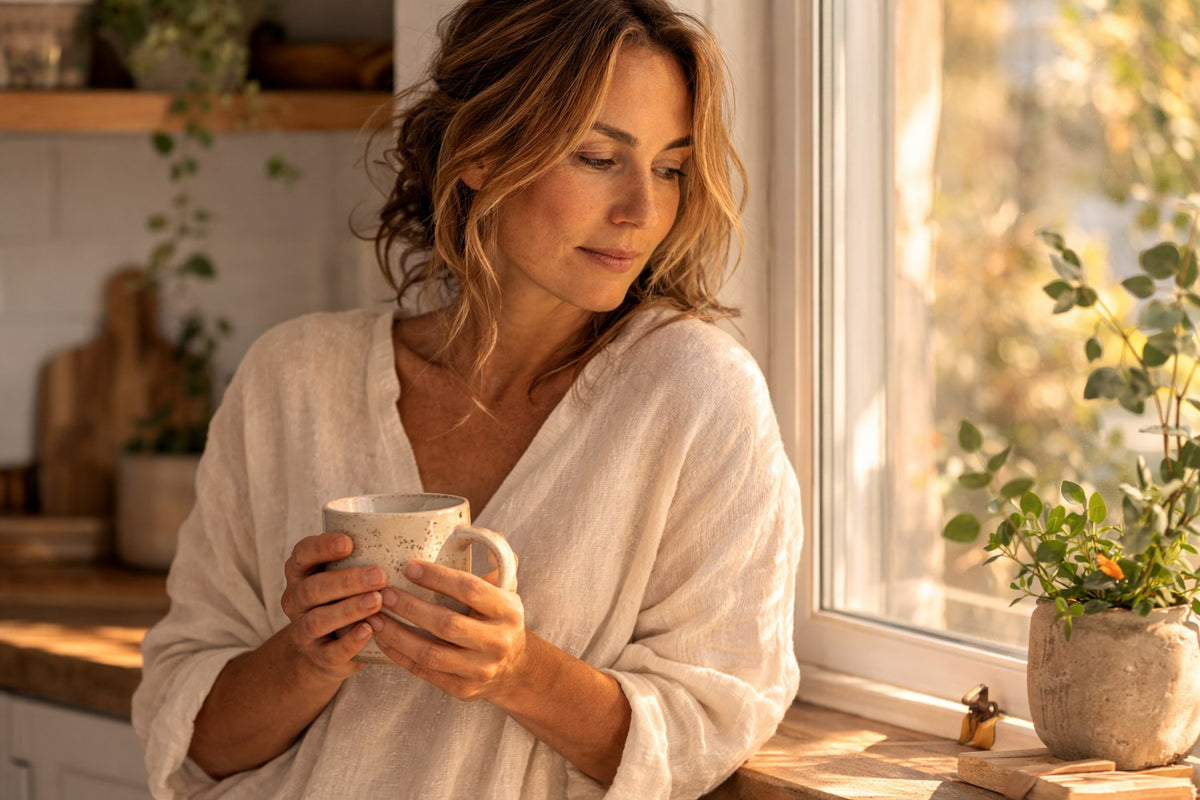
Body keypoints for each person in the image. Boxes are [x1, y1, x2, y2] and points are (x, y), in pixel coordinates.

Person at [132, 1, 803, 797]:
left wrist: (519, 672)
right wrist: (304, 654)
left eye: (670, 167)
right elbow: (193, 741)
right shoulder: (294, 378)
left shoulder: (695, 395)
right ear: (481, 149)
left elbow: (708, 730)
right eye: (597, 157)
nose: (643, 210)